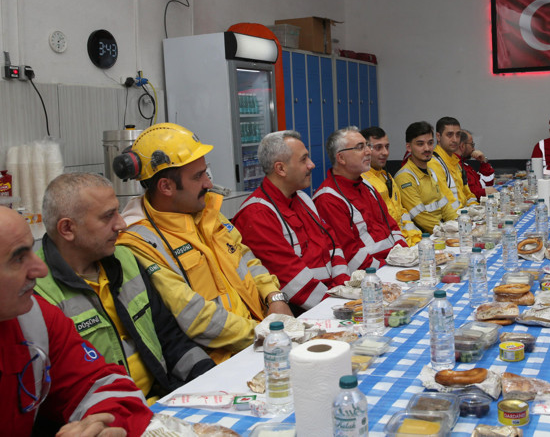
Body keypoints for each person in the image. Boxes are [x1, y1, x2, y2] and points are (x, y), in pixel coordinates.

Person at [115, 123, 289, 364]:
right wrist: (265, 333)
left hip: (262, 339)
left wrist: (274, 297)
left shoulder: (206, 211)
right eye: (198, 176)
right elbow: (193, 315)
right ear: (166, 186)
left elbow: (245, 258)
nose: (208, 183)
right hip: (222, 362)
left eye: (206, 172)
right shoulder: (141, 241)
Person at [35, 173, 214, 403]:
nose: (121, 224)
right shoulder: (38, 293)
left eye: (118, 212)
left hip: (159, 399)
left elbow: (169, 337)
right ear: (68, 229)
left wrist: (210, 378)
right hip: (109, 418)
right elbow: (59, 396)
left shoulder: (124, 259)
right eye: (108, 216)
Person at [0, 206, 153, 436]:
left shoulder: (34, 319)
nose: (40, 269)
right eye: (18, 259)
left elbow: (104, 385)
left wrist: (102, 426)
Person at [233, 131, 350, 312]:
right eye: (304, 160)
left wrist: (344, 287)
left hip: (333, 297)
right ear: (280, 169)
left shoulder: (302, 198)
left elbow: (333, 244)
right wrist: (340, 306)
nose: (312, 165)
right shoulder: (257, 214)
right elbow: (291, 280)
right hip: (303, 309)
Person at [314, 127, 406, 271]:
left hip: (396, 265)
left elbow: (392, 226)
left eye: (367, 146)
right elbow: (350, 256)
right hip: (372, 275)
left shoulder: (367, 185)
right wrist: (388, 269)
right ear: (341, 158)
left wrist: (406, 256)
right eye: (360, 147)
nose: (369, 152)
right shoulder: (328, 199)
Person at [360, 126, 422, 247]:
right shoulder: (363, 182)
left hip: (406, 243)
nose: (385, 152)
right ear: (365, 150)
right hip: (391, 249)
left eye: (387, 147)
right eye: (378, 147)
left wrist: (416, 240)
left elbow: (401, 213)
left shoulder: (386, 176)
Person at [395, 121, 458, 233]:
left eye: (430, 143)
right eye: (420, 144)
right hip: (428, 237)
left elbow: (445, 206)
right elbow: (421, 217)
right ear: (409, 147)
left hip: (442, 230)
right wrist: (447, 231)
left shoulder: (431, 171)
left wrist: (458, 224)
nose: (427, 148)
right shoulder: (405, 177)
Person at [429, 117, 478, 211]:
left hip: (465, 216)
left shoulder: (455, 162)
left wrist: (476, 209)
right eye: (449, 135)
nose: (455, 140)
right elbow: (448, 202)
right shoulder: (434, 163)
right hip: (452, 220)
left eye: (458, 135)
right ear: (438, 137)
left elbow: (468, 194)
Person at [458, 129, 497, 199]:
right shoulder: (456, 166)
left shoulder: (465, 165)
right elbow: (465, 194)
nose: (474, 149)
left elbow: (488, 183)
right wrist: (484, 192)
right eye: (472, 145)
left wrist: (483, 162)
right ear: (462, 146)